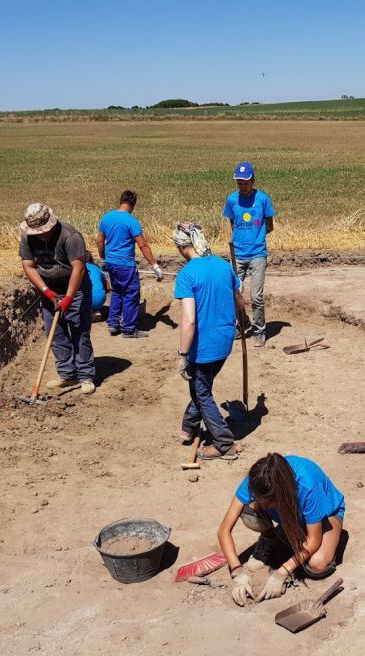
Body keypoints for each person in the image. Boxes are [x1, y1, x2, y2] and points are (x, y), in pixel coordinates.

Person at [217, 453, 346, 606]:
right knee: (249, 510)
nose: (263, 507)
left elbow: (314, 540)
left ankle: (317, 537)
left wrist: (282, 572)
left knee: (317, 564)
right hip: (291, 514)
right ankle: (271, 537)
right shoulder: (256, 480)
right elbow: (224, 530)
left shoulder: (308, 486)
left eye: (268, 502)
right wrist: (237, 571)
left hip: (327, 515)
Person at [172, 221, 244, 461]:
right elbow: (239, 300)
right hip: (225, 341)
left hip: (203, 346)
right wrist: (242, 320)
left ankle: (224, 444)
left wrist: (183, 354)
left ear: (182, 247)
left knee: (202, 392)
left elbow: (189, 320)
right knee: (201, 385)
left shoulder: (187, 274)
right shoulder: (224, 266)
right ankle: (189, 426)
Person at [18, 203, 96, 394]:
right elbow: (28, 265)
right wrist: (46, 290)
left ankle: (85, 375)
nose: (38, 234)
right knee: (56, 333)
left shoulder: (70, 236)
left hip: (75, 289)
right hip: (49, 290)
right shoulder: (28, 238)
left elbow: (79, 268)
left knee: (79, 331)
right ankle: (67, 375)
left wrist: (69, 297)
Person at [97, 190, 163, 338]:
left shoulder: (106, 218)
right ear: (133, 204)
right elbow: (143, 245)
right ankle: (129, 329)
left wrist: (103, 257)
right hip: (126, 264)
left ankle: (113, 324)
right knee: (131, 294)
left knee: (117, 292)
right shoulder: (131, 221)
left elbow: (100, 240)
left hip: (111, 263)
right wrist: (154, 265)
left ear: (121, 201)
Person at [223, 162, 274, 348]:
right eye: (239, 183)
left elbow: (269, 225)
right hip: (237, 255)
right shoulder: (231, 200)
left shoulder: (263, 199)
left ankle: (260, 330)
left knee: (256, 296)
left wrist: (255, 238)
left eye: (245, 183)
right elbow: (232, 222)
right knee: (232, 293)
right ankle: (241, 324)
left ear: (253, 181)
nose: (242, 186)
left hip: (258, 254)